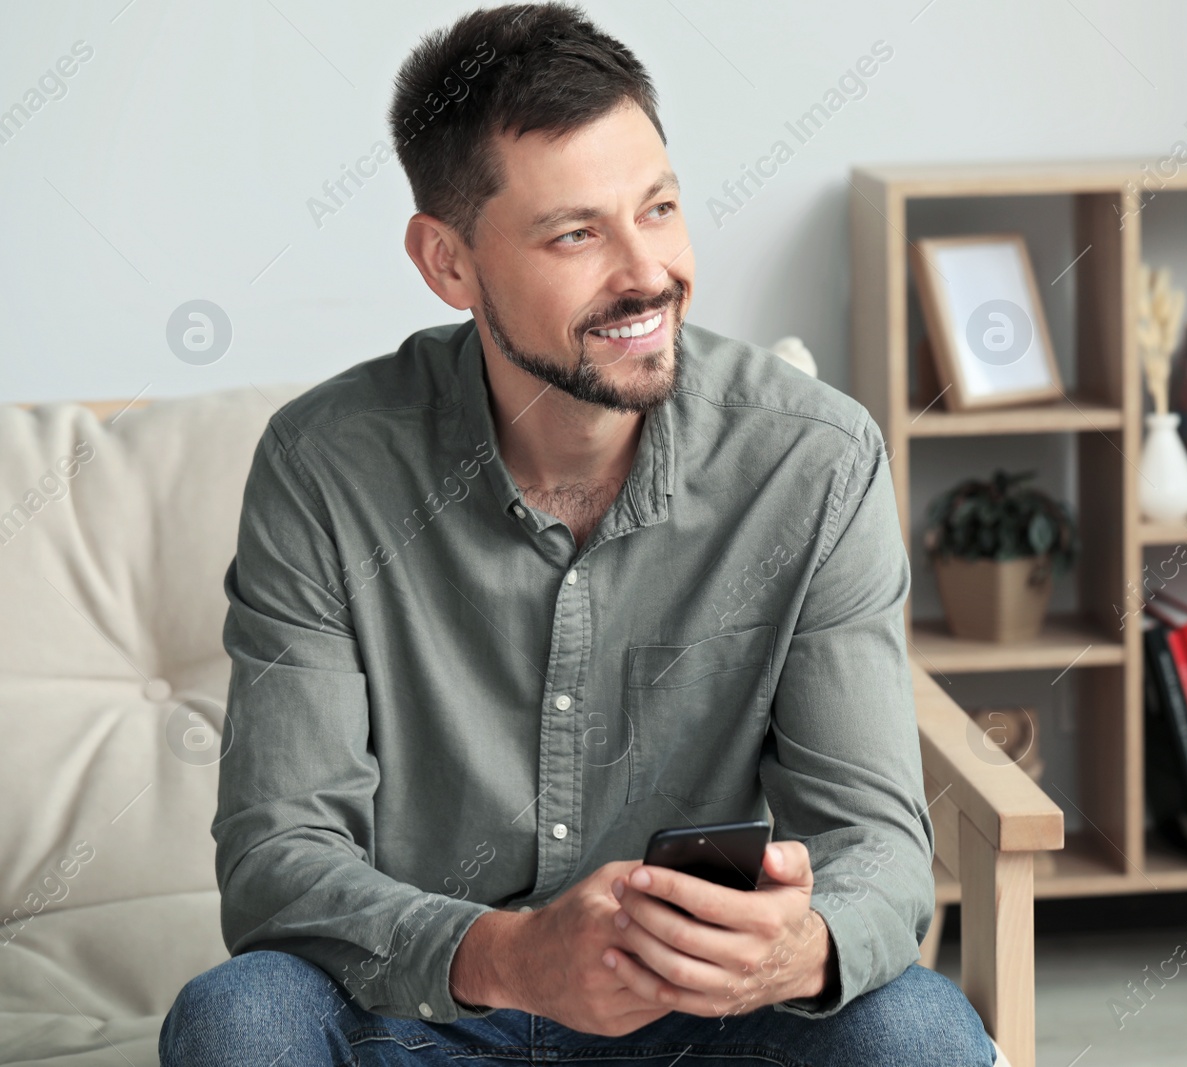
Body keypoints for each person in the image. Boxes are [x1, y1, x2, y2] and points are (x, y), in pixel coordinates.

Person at [158, 3, 994, 1064]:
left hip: (710, 1023)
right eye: (576, 234)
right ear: (448, 264)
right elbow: (280, 858)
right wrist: (511, 954)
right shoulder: (325, 467)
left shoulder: (814, 460)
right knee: (243, 1014)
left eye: (659, 208)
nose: (646, 273)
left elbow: (876, 842)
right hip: (431, 1014)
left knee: (914, 1024)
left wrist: (801, 946)